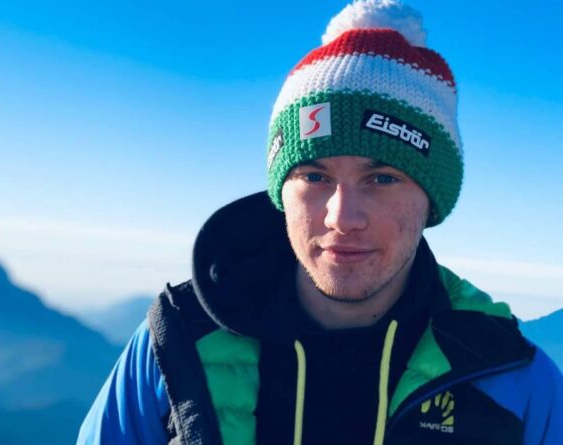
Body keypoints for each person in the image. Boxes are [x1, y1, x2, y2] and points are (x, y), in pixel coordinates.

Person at [77, 1, 563, 443]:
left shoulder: (512, 376)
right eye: (314, 176)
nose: (342, 217)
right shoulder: (177, 344)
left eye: (382, 179)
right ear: (281, 193)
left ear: (431, 199)